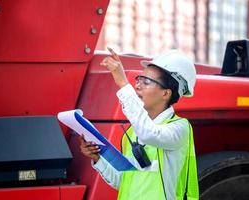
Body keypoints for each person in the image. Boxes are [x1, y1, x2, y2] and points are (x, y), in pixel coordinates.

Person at [79, 48, 199, 200]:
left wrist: (123, 83)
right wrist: (98, 158)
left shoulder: (179, 128)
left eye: (146, 82)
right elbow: (124, 181)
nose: (137, 86)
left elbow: (149, 133)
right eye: (139, 80)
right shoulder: (133, 132)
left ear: (166, 93)